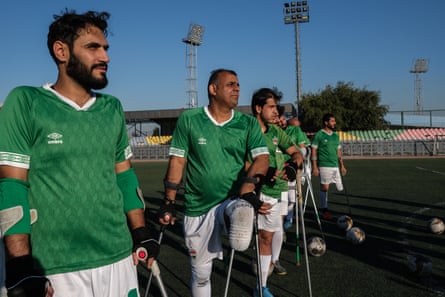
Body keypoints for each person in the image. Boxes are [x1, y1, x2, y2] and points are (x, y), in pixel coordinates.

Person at [0, 10, 159, 297]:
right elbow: (12, 187)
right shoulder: (25, 101)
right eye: (92, 47)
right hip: (56, 265)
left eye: (106, 49)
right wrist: (20, 263)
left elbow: (124, 176)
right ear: (61, 51)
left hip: (118, 256)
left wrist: (140, 232)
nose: (105, 57)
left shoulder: (111, 108)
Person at [158, 69, 270, 297]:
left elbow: (262, 158)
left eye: (238, 84)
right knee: (201, 275)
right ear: (213, 89)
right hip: (197, 206)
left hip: (230, 199)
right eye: (231, 84)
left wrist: (248, 188)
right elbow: (178, 161)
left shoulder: (247, 123)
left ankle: (239, 215)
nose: (237, 88)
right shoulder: (189, 120)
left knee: (240, 210)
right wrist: (169, 201)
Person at [249, 88, 303, 297]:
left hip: (274, 191)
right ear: (258, 108)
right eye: (271, 107)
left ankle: (261, 287)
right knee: (253, 239)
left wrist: (292, 166)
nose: (275, 111)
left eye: (276, 107)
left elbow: (295, 152)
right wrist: (262, 171)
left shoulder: (276, 131)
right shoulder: (247, 129)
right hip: (251, 191)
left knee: (266, 237)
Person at [311, 113, 347, 220]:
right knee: (325, 188)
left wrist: (342, 166)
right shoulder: (319, 135)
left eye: (334, 121)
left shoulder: (336, 136)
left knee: (340, 188)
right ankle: (325, 210)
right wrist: (315, 167)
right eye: (332, 121)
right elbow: (313, 150)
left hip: (335, 166)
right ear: (326, 122)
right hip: (324, 165)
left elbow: (339, 152)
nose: (334, 123)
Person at [282, 117, 311, 229]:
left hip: (293, 167)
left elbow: (305, 149)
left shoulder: (297, 132)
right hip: (280, 166)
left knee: (290, 196)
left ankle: (289, 218)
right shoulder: (276, 131)